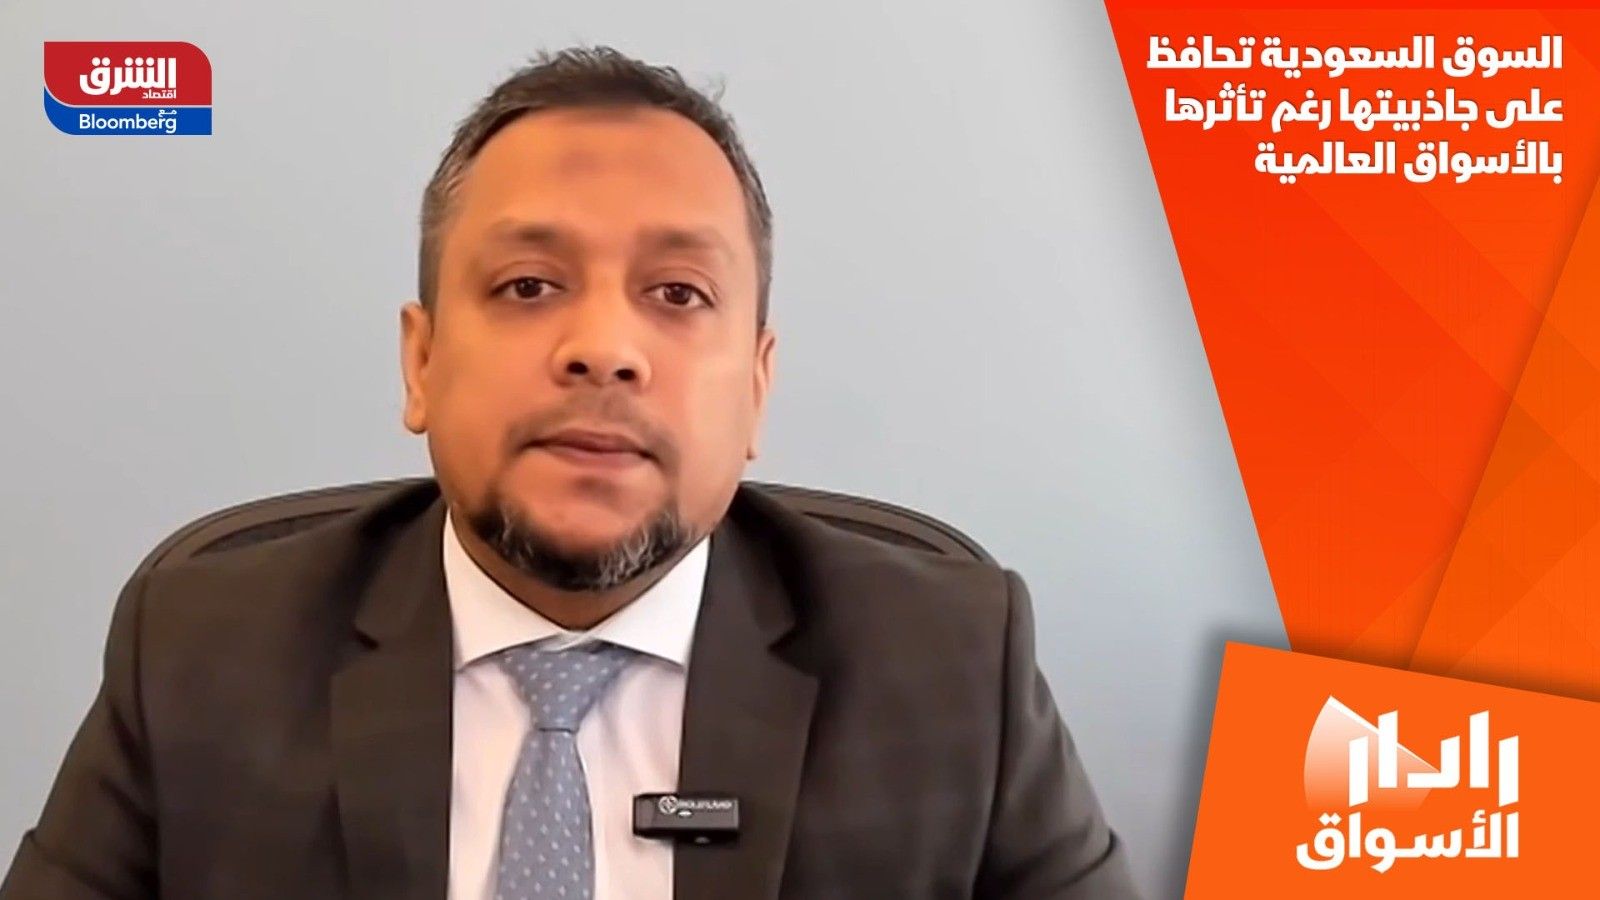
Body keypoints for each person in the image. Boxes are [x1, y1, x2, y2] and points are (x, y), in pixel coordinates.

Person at [0, 46, 1138, 900]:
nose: (604, 348)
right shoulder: (201, 652)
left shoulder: (949, 669)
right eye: (529, 286)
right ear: (421, 362)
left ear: (756, 388)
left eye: (678, 294)